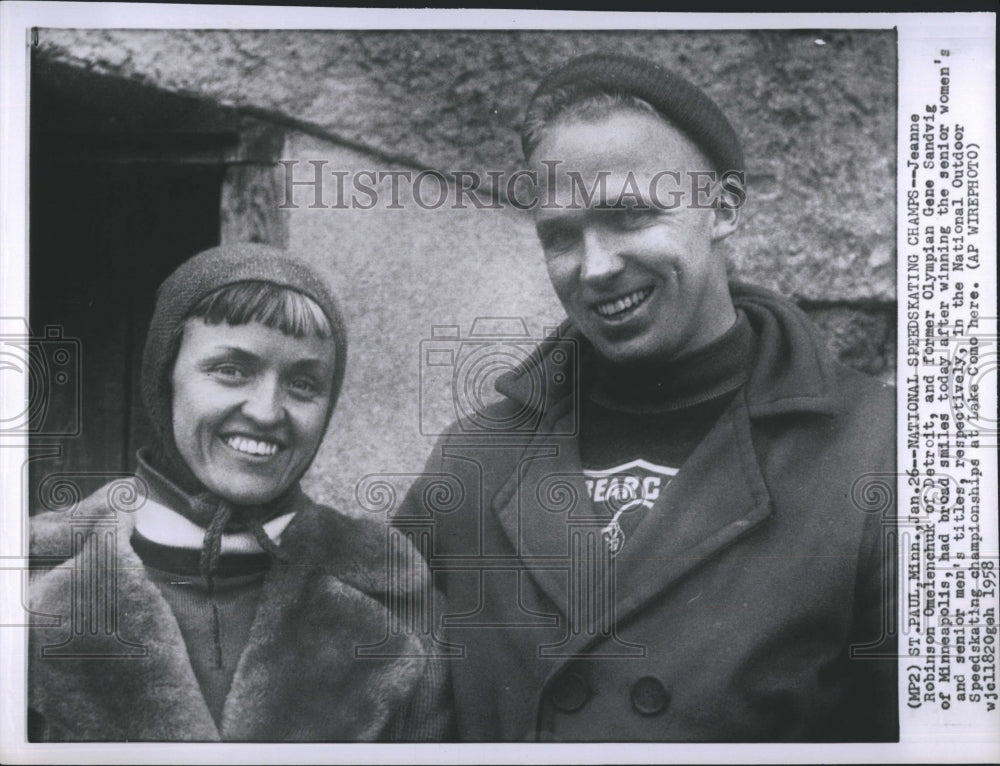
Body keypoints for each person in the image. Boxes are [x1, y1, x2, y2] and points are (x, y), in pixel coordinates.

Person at [400, 53, 897, 741]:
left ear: (721, 208)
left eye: (628, 216)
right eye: (561, 236)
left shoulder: (880, 451)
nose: (596, 267)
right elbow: (383, 700)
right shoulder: (473, 460)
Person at [29, 243, 451, 741]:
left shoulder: (398, 599)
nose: (268, 411)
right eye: (231, 370)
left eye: (303, 383)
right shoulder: (30, 581)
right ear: (164, 378)